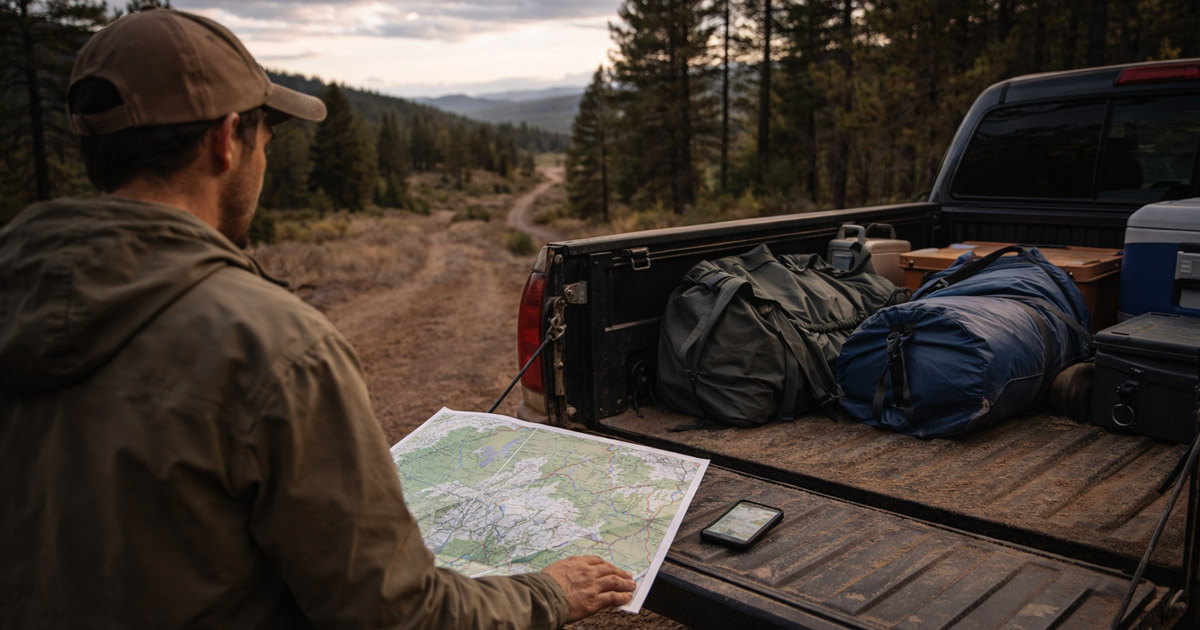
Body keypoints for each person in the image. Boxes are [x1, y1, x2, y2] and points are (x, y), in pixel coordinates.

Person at [0, 7, 635, 629]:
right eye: (265, 140)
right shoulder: (272, 346)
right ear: (226, 140)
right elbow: (397, 614)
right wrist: (547, 593)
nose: (264, 158)